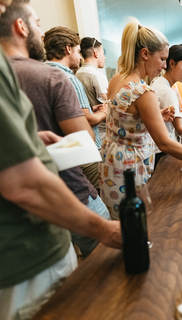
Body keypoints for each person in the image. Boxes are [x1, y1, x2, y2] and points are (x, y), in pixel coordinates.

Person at [0, 1, 121, 319]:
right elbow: (80, 143)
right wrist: (106, 230)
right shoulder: (55, 78)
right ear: (22, 28)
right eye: (37, 22)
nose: (41, 29)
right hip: (29, 247)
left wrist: (30, 139)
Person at [99, 19, 182, 218]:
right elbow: (165, 143)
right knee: (136, 223)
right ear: (144, 54)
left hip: (111, 163)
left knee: (119, 221)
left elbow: (123, 118)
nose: (163, 66)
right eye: (161, 59)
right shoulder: (143, 91)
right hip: (130, 168)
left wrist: (156, 115)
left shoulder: (117, 78)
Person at [44, 27, 105, 192]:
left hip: (59, 155)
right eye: (78, 51)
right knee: (99, 198)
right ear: (68, 49)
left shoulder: (43, 75)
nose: (80, 57)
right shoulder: (68, 77)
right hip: (84, 152)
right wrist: (105, 111)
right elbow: (87, 119)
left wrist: (91, 108)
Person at [76, 37, 109, 142]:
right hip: (103, 134)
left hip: (86, 131)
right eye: (103, 53)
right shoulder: (97, 76)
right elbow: (108, 106)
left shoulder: (77, 74)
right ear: (96, 53)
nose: (104, 58)